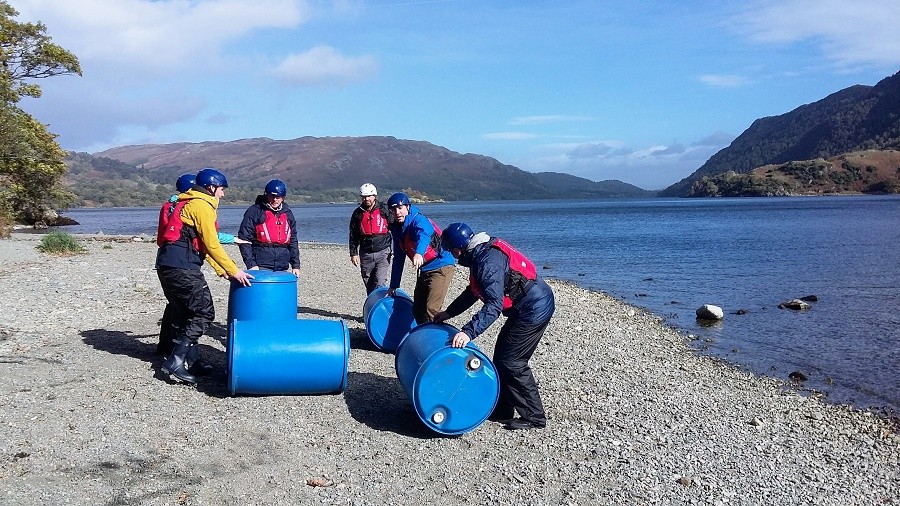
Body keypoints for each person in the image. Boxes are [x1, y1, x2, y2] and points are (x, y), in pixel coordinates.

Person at [433, 222, 555, 431]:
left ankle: (534, 417)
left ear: (459, 248)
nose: (453, 256)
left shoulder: (487, 262)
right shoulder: (479, 254)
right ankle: (504, 409)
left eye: (452, 251)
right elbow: (473, 292)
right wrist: (449, 313)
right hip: (524, 306)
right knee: (502, 358)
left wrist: (467, 333)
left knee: (512, 361)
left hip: (534, 308)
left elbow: (494, 305)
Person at [155, 167, 253, 384]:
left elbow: (199, 245)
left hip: (166, 266)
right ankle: (175, 360)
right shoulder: (201, 206)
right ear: (211, 187)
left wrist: (222, 271)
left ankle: (193, 362)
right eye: (221, 189)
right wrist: (234, 270)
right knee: (203, 313)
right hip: (182, 268)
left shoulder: (187, 202)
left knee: (183, 315)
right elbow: (212, 243)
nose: (223, 194)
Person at [386, 192, 455, 324]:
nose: (397, 212)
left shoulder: (418, 220)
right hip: (425, 269)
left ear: (408, 207)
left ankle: (436, 341)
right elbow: (398, 258)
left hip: (441, 266)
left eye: (400, 208)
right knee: (417, 310)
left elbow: (424, 234)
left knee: (431, 309)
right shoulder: (397, 230)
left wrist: (419, 253)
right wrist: (394, 285)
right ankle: (421, 337)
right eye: (393, 209)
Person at [237, 179, 301, 277]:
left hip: (282, 265)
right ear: (266, 195)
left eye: (278, 197)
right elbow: (244, 239)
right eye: (272, 196)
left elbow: (293, 240)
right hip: (261, 264)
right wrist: (251, 264)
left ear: (283, 197)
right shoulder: (255, 211)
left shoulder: (287, 213)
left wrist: (295, 265)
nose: (275, 199)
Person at [348, 183, 393, 294]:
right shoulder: (357, 213)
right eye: (364, 196)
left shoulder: (384, 209)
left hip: (383, 251)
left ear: (374, 196)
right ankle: (372, 306)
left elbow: (394, 227)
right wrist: (353, 253)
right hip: (366, 253)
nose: (366, 199)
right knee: (369, 282)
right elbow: (353, 235)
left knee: (380, 281)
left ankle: (380, 307)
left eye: (369, 196)